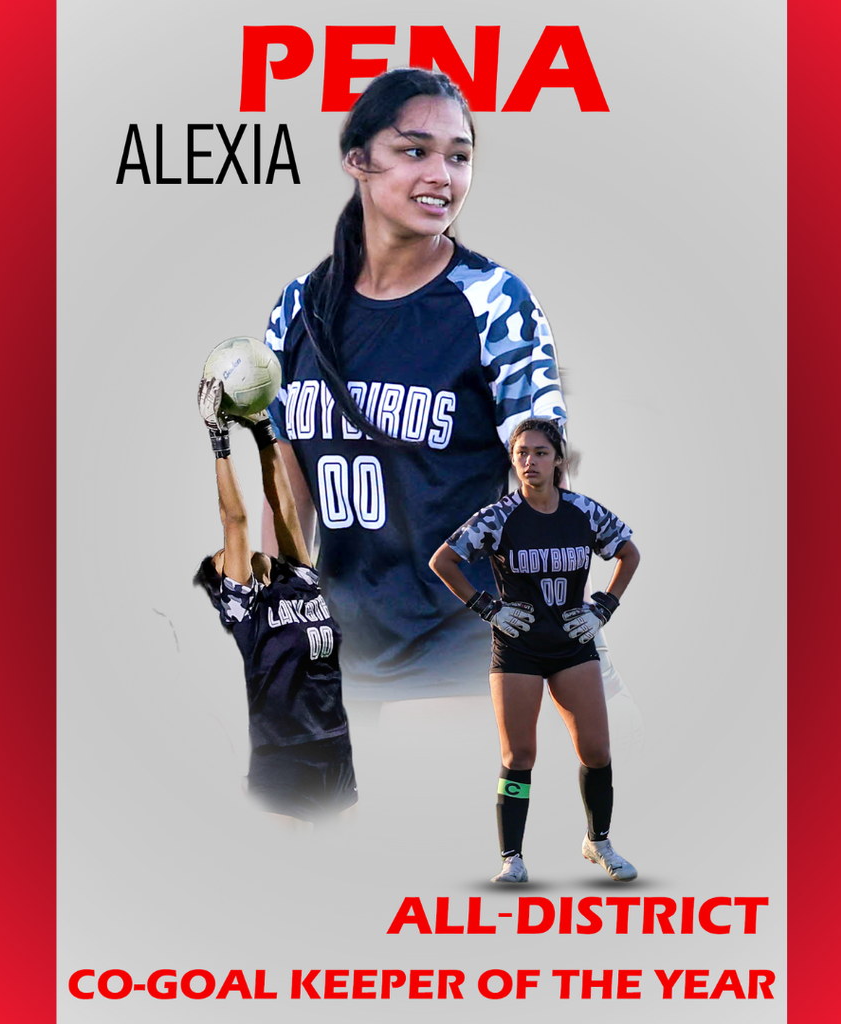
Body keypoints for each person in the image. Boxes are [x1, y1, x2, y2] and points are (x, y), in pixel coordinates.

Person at [261, 67, 636, 733]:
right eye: (414, 151)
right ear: (358, 161)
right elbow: (286, 502)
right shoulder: (299, 307)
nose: (442, 175)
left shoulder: (494, 303)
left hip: (463, 659)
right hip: (341, 666)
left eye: (458, 157)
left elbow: (543, 492)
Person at [430, 418, 640, 883]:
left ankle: (598, 841)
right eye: (522, 453)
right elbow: (442, 560)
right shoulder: (498, 516)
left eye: (541, 452)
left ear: (559, 460)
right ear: (513, 459)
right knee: (519, 755)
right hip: (517, 648)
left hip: (572, 643)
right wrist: (486, 607)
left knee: (597, 750)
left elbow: (629, 554)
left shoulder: (584, 512)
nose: (531, 461)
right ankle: (512, 858)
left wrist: (602, 608)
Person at [193, 377, 357, 823]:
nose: (238, 552)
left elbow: (283, 503)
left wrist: (266, 430)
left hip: (335, 745)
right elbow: (238, 520)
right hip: (285, 756)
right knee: (289, 872)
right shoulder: (246, 607)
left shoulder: (299, 578)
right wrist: (219, 439)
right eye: (228, 556)